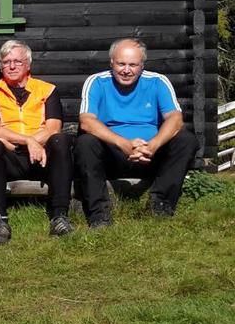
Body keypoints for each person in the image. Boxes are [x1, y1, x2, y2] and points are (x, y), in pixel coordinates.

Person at [75, 38, 198, 224]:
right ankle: (99, 213)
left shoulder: (157, 81)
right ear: (111, 62)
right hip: (113, 154)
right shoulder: (97, 82)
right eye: (121, 64)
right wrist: (124, 144)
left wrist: (153, 146)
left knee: (186, 139)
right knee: (85, 142)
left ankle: (161, 205)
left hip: (151, 154)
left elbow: (175, 119)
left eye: (133, 65)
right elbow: (87, 121)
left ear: (142, 65)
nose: (126, 70)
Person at [0, 40, 73, 245]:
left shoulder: (47, 90)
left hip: (43, 157)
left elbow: (53, 128)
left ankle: (59, 216)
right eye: (6, 62)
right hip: (12, 157)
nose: (12, 66)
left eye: (17, 61)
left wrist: (34, 143)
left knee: (60, 140)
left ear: (28, 64)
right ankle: (0, 221)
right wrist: (28, 140)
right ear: (0, 66)